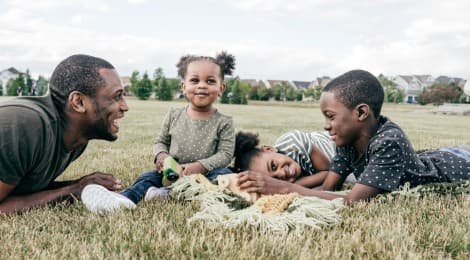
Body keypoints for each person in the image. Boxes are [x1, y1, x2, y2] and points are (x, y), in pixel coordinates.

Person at [237, 69, 470, 204]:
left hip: (458, 164)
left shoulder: (388, 142)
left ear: (360, 112)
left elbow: (351, 201)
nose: (326, 126)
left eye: (330, 116)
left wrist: (282, 188)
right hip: (439, 156)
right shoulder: (346, 142)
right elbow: (330, 189)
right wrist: (273, 197)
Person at [82, 52, 237, 214]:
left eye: (210, 81)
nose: (202, 85)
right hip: (172, 173)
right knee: (147, 178)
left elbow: (225, 154)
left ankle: (172, 195)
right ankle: (125, 199)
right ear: (184, 86)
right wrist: (162, 156)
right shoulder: (174, 115)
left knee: (224, 176)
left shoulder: (224, 121)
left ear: (221, 88)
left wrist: (201, 166)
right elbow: (161, 141)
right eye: (194, 80)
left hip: (206, 174)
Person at [0, 54, 128, 214]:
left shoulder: (76, 137)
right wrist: (73, 190)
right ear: (79, 102)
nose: (125, 106)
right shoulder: (24, 126)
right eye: (117, 96)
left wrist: (81, 185)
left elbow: (20, 189)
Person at [234, 130, 356, 188]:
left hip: (344, 147)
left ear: (269, 149)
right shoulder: (286, 175)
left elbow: (330, 173)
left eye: (273, 166)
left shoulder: (292, 142)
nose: (282, 173)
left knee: (354, 179)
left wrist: (292, 185)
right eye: (275, 179)